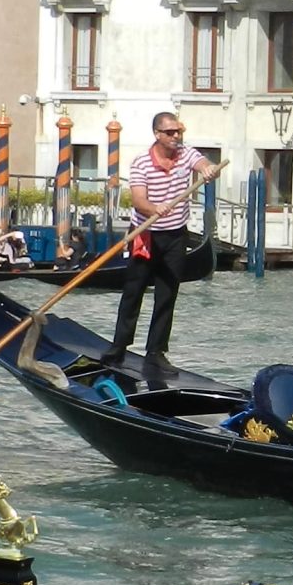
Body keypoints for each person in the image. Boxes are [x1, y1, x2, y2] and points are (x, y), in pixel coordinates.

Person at [76, 112, 218, 389]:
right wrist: (155, 208)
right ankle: (119, 345)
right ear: (157, 134)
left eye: (178, 131)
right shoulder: (142, 163)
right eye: (170, 132)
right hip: (146, 234)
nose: (176, 136)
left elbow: (203, 163)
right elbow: (139, 200)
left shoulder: (185, 153)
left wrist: (208, 168)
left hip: (176, 235)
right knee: (134, 291)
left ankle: (156, 353)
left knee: (167, 293)